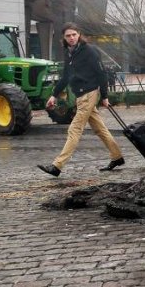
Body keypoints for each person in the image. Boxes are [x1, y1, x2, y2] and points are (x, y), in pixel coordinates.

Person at [37, 23, 124, 177]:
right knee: (100, 129)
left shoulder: (89, 51)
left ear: (79, 34)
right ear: (64, 38)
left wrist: (104, 96)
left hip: (89, 94)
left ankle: (57, 166)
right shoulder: (69, 52)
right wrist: (53, 95)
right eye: (68, 36)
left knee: (74, 129)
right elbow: (65, 77)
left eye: (74, 35)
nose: (71, 38)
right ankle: (117, 157)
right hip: (81, 95)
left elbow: (101, 73)